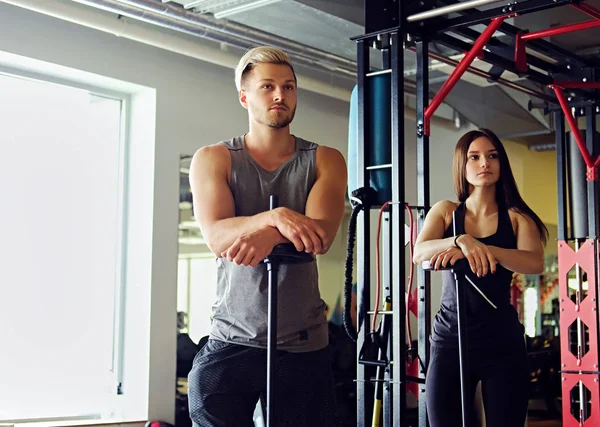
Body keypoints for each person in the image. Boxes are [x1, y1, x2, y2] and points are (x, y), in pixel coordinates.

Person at [186, 46, 347, 427]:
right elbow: (216, 236)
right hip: (232, 335)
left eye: (289, 87)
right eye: (268, 86)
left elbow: (319, 237)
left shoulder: (325, 159)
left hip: (303, 341)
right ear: (244, 96)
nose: (280, 95)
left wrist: (266, 235)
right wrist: (279, 217)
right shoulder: (214, 158)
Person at [413, 128, 547, 427]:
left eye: (492, 156)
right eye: (474, 157)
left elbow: (534, 262)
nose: (484, 163)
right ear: (462, 165)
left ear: (501, 163)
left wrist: (486, 250)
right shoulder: (446, 212)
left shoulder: (516, 217)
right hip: (450, 338)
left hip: (502, 340)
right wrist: (461, 240)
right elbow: (420, 252)